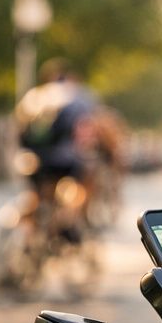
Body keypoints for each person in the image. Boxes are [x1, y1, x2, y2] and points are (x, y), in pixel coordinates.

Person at [13, 58, 98, 240]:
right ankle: (67, 220)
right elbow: (84, 129)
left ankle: (28, 236)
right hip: (65, 160)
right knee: (82, 183)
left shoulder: (34, 95)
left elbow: (20, 127)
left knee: (36, 195)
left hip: (34, 159)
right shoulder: (75, 96)